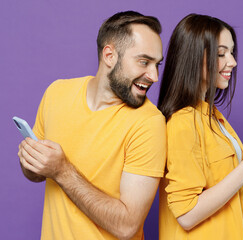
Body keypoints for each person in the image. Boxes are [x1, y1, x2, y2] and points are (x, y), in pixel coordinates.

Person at [17, 11, 166, 240]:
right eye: (144, 62)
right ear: (109, 55)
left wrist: (62, 170)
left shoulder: (149, 123)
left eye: (157, 64)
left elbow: (127, 226)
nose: (154, 76)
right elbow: (35, 174)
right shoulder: (57, 92)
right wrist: (30, 160)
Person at [158, 14, 243, 240]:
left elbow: (232, 190)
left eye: (231, 53)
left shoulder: (213, 118)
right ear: (193, 57)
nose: (232, 61)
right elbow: (186, 214)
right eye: (221, 53)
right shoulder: (182, 122)